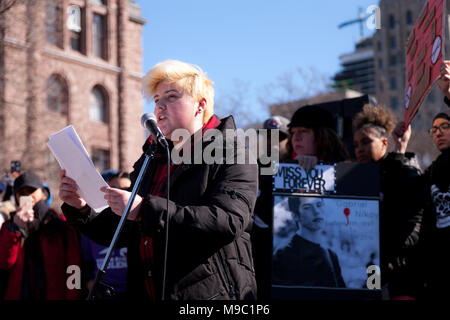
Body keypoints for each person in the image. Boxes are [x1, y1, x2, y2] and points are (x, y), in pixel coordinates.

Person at [59, 59, 258, 300]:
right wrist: (81, 208)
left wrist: (144, 210)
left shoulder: (232, 152)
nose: (159, 107)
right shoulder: (151, 159)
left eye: (171, 97)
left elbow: (228, 221)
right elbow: (121, 233)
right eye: (156, 100)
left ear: (200, 105)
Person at [353, 105, 423, 299]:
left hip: (399, 275)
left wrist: (400, 147)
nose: (360, 149)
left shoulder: (403, 170)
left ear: (385, 142)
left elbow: (414, 222)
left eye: (366, 142)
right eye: (356, 144)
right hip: (369, 269)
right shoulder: (352, 179)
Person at [0, 171, 81, 300]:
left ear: (43, 194)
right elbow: (4, 263)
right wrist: (15, 228)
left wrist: (73, 296)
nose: (28, 196)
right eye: (22, 193)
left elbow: (74, 267)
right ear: (16, 197)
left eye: (31, 190)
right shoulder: (9, 226)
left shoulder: (60, 225)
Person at [420, 61, 450, 299]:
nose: (438, 132)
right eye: (434, 129)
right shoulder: (431, 172)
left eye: (445, 126)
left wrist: (449, 92)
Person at [251, 115, 289, 300]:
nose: (272, 142)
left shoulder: (299, 168)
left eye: (279, 137)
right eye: (268, 136)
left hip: (289, 252)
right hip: (257, 253)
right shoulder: (250, 169)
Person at [272, 196, 346, 287]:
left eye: (319, 205)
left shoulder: (331, 255)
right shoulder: (282, 256)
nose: (316, 211)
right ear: (295, 216)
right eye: (307, 208)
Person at [79, 170, 130, 299]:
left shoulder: (139, 223)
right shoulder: (94, 224)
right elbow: (84, 261)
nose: (120, 193)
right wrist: (89, 282)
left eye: (126, 189)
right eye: (114, 189)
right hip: (102, 294)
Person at [286, 105, 350, 169]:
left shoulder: (345, 168)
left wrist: (319, 164)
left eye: (303, 131)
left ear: (323, 136)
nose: (296, 138)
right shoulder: (280, 167)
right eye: (293, 132)